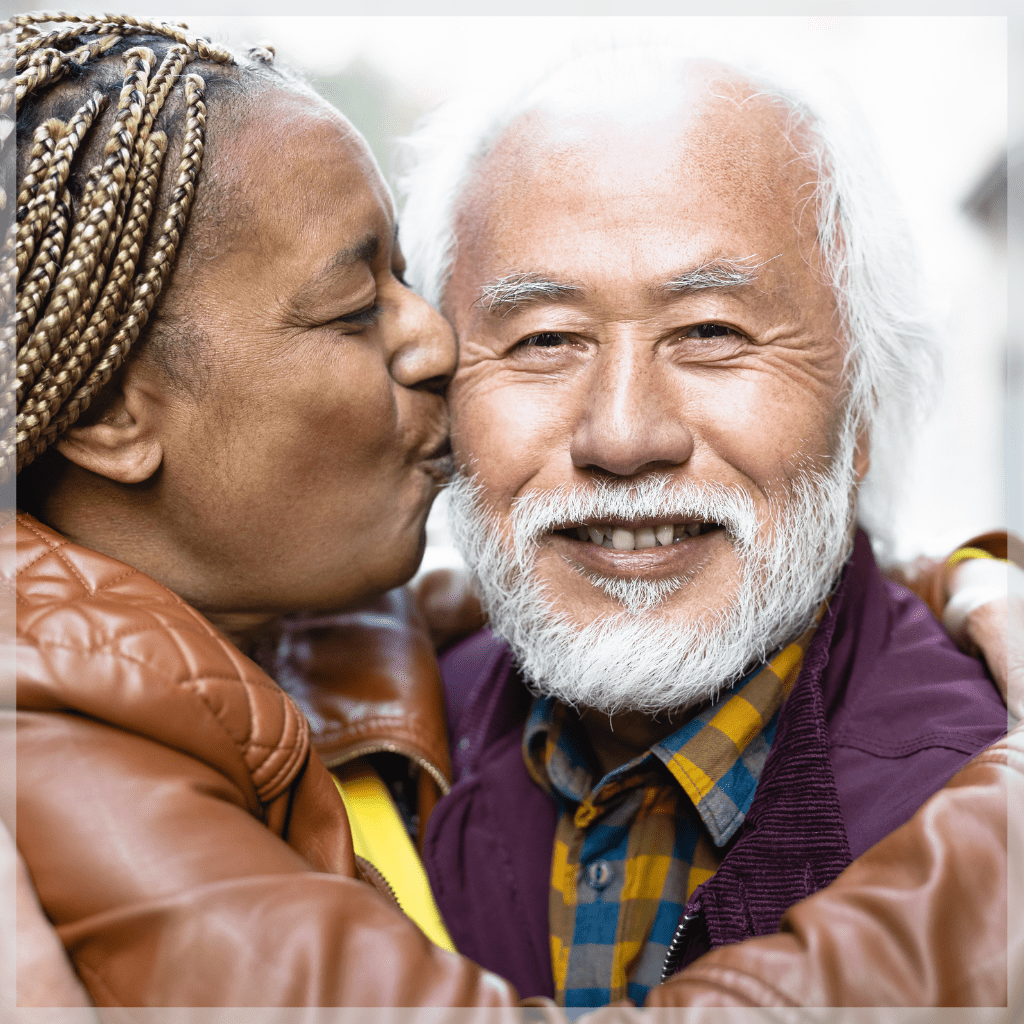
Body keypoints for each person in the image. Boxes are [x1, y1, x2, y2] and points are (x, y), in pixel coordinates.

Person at [396, 50, 1012, 1006]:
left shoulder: (973, 808)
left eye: (712, 333)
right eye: (545, 339)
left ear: (864, 411)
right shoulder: (374, 754)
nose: (624, 436)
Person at [5, 12, 520, 1007]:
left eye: (403, 278)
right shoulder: (45, 752)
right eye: (353, 309)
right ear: (114, 413)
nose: (437, 342)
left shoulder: (258, 617)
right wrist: (921, 890)